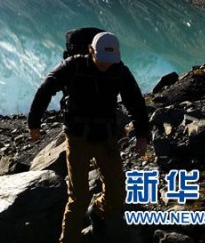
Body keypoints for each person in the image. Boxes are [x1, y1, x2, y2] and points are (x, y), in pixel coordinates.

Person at [27, 31, 150, 243]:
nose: (106, 65)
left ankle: (98, 211)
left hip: (106, 138)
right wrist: (34, 123)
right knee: (78, 198)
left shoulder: (119, 70)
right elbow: (45, 90)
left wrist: (142, 134)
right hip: (78, 139)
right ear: (91, 51)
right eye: (102, 59)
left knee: (117, 193)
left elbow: (135, 102)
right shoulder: (73, 66)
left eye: (110, 60)